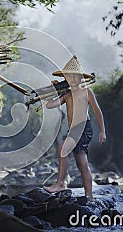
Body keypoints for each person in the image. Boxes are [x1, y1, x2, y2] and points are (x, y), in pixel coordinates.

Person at [43, 55, 106, 202]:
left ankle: (60, 183)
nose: (71, 79)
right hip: (73, 130)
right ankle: (89, 196)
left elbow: (97, 111)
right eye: (68, 77)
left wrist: (102, 130)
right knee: (82, 164)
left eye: (73, 77)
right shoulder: (66, 95)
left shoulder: (86, 92)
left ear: (79, 78)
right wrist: (53, 91)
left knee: (62, 149)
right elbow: (49, 105)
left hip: (83, 128)